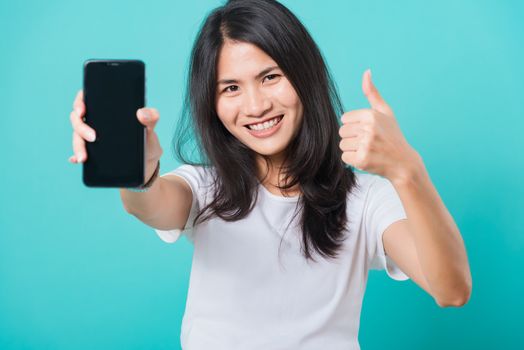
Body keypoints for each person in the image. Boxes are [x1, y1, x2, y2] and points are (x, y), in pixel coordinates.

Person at [68, 0, 472, 349]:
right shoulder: (206, 188)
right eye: (230, 88)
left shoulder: (365, 200)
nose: (256, 105)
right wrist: (139, 170)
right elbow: (149, 204)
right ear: (212, 103)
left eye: (270, 77)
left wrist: (408, 170)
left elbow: (451, 290)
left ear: (304, 75)